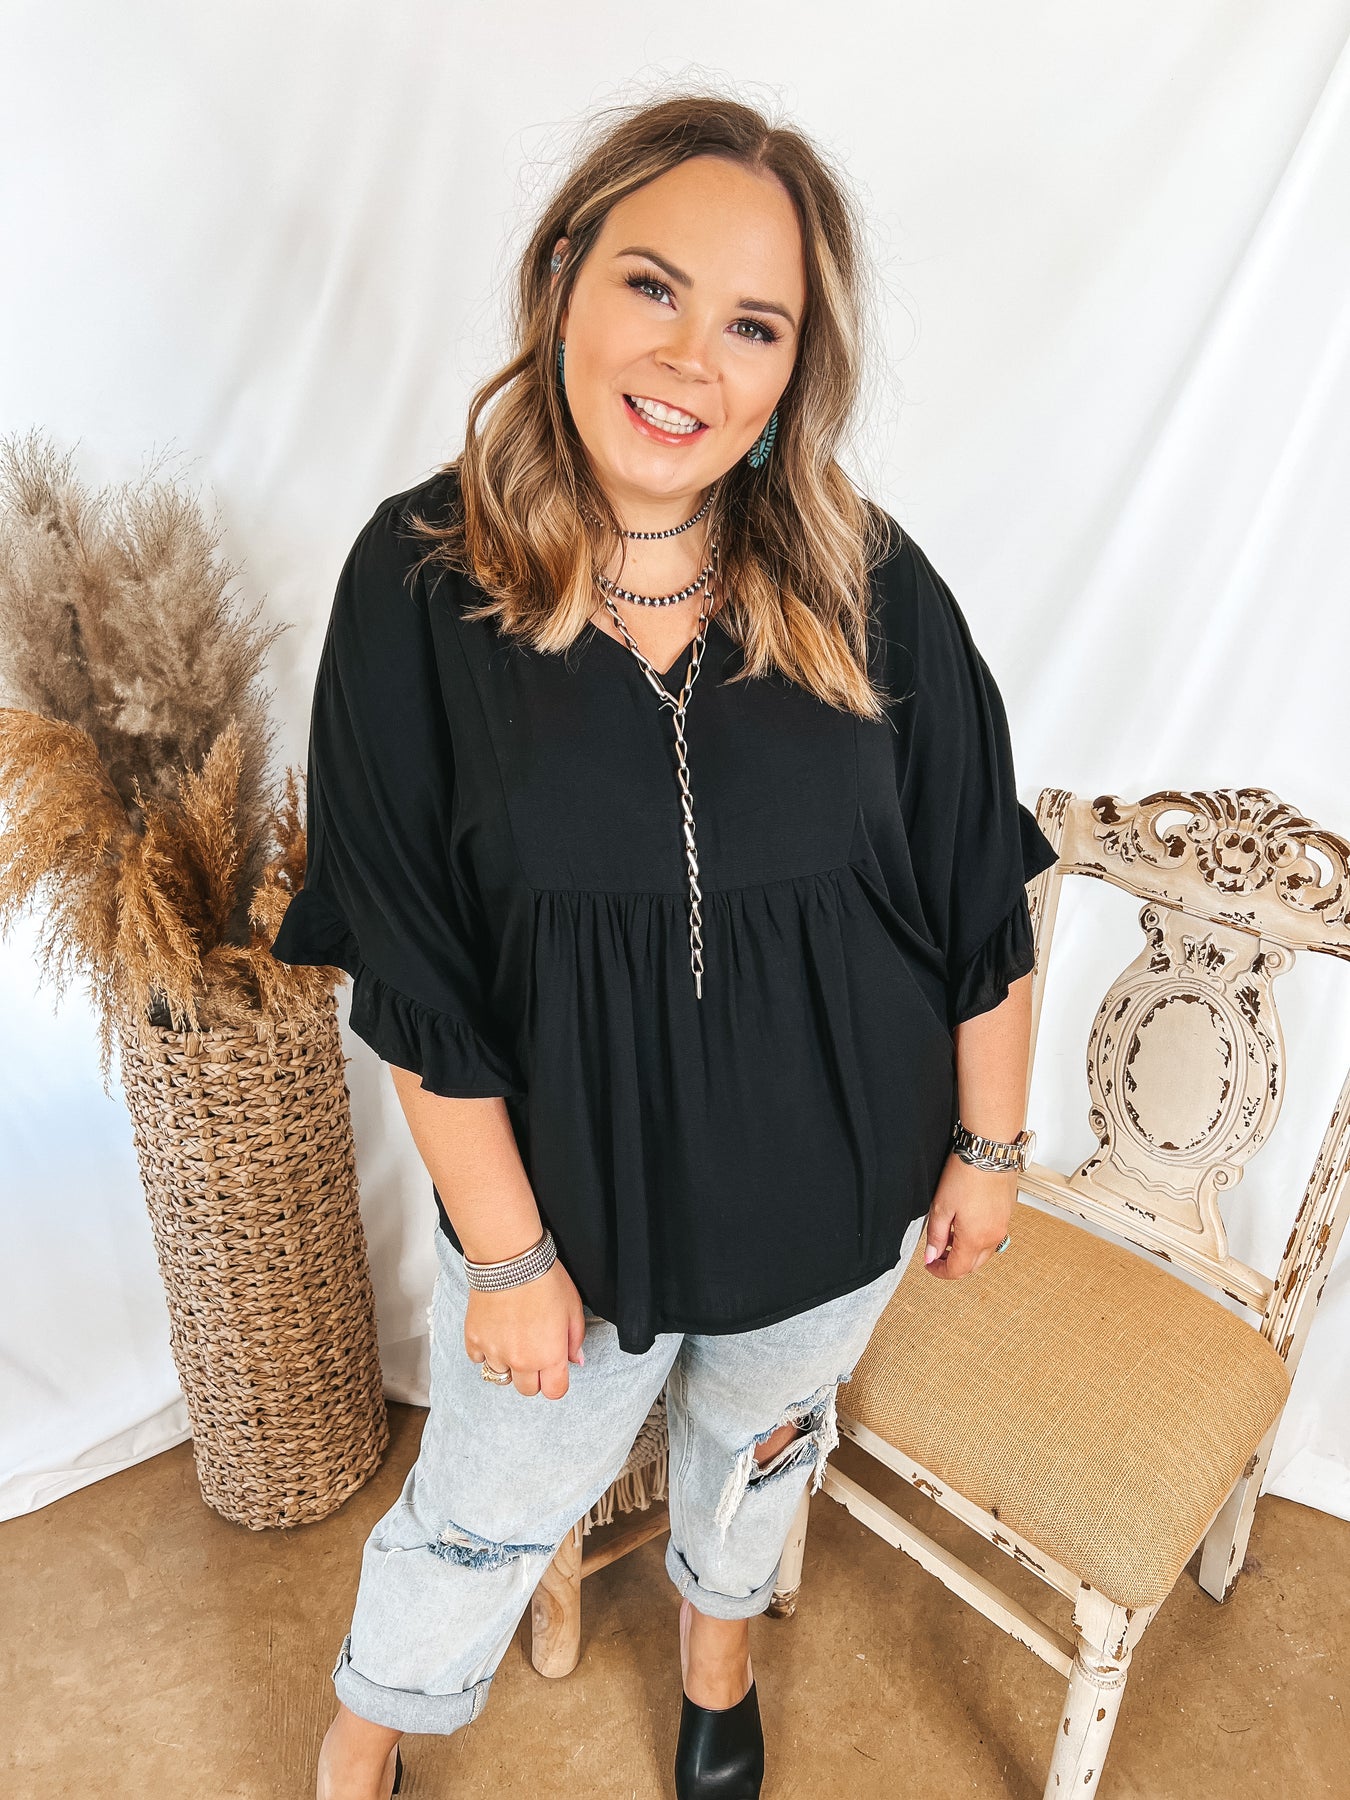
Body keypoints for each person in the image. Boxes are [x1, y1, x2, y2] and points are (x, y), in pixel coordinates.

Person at [272, 90, 1059, 1800]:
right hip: (566, 1224)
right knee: (481, 1510)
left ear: (793, 369)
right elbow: (409, 966)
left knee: (759, 1454)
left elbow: (973, 887)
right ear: (563, 276)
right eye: (652, 286)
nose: (691, 359)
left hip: (834, 1198)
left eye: (753, 324)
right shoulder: (416, 585)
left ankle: (717, 1665)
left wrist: (989, 1147)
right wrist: (503, 1261)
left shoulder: (867, 579)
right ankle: (371, 1721)